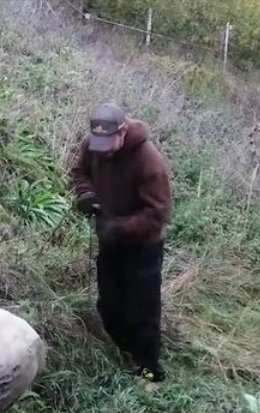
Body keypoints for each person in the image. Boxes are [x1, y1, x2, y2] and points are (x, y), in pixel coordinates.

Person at [70, 102, 173, 383]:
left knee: (143, 305)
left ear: (123, 130)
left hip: (144, 245)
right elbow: (79, 172)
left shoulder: (149, 161)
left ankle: (148, 367)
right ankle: (120, 353)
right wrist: (86, 195)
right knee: (110, 303)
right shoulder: (93, 145)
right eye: (98, 143)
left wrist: (120, 228)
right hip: (109, 238)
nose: (104, 149)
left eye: (109, 143)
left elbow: (158, 214)